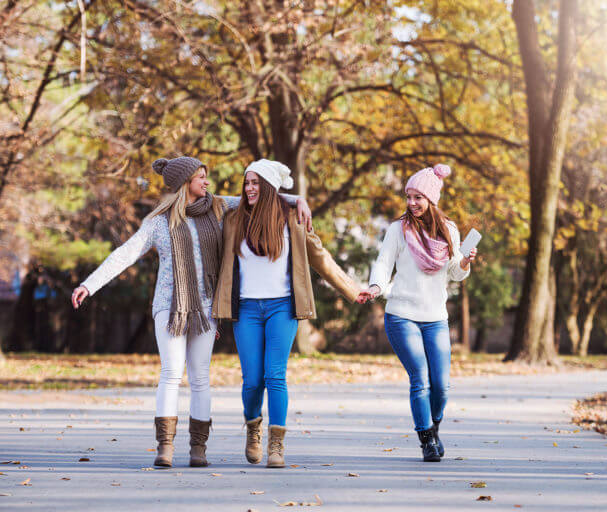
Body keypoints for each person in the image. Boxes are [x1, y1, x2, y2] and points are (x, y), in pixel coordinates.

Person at [70, 156, 311, 468]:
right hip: (168, 308)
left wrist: (299, 198)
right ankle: (165, 446)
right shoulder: (158, 222)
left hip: (206, 309)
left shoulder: (217, 208)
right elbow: (125, 253)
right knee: (171, 373)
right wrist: (89, 285)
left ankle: (198, 448)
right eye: (201, 177)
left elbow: (263, 193)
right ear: (185, 182)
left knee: (200, 378)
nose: (207, 182)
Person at [213, 159, 360, 468]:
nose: (250, 188)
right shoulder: (233, 219)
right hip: (247, 309)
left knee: (275, 375)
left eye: (256, 183)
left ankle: (276, 445)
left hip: (282, 307)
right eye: (247, 182)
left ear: (268, 187)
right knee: (252, 379)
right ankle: (253, 428)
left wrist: (351, 289)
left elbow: (319, 256)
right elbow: (209, 203)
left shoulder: (292, 220)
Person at [357, 164, 477, 462]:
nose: (412, 203)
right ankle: (426, 439)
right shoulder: (399, 229)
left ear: (431, 199)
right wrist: (375, 286)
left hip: (435, 318)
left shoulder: (448, 230)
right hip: (401, 315)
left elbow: (453, 272)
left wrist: (463, 264)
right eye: (408, 196)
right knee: (420, 379)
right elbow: (384, 262)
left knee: (442, 386)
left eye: (418, 197)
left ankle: (433, 427)